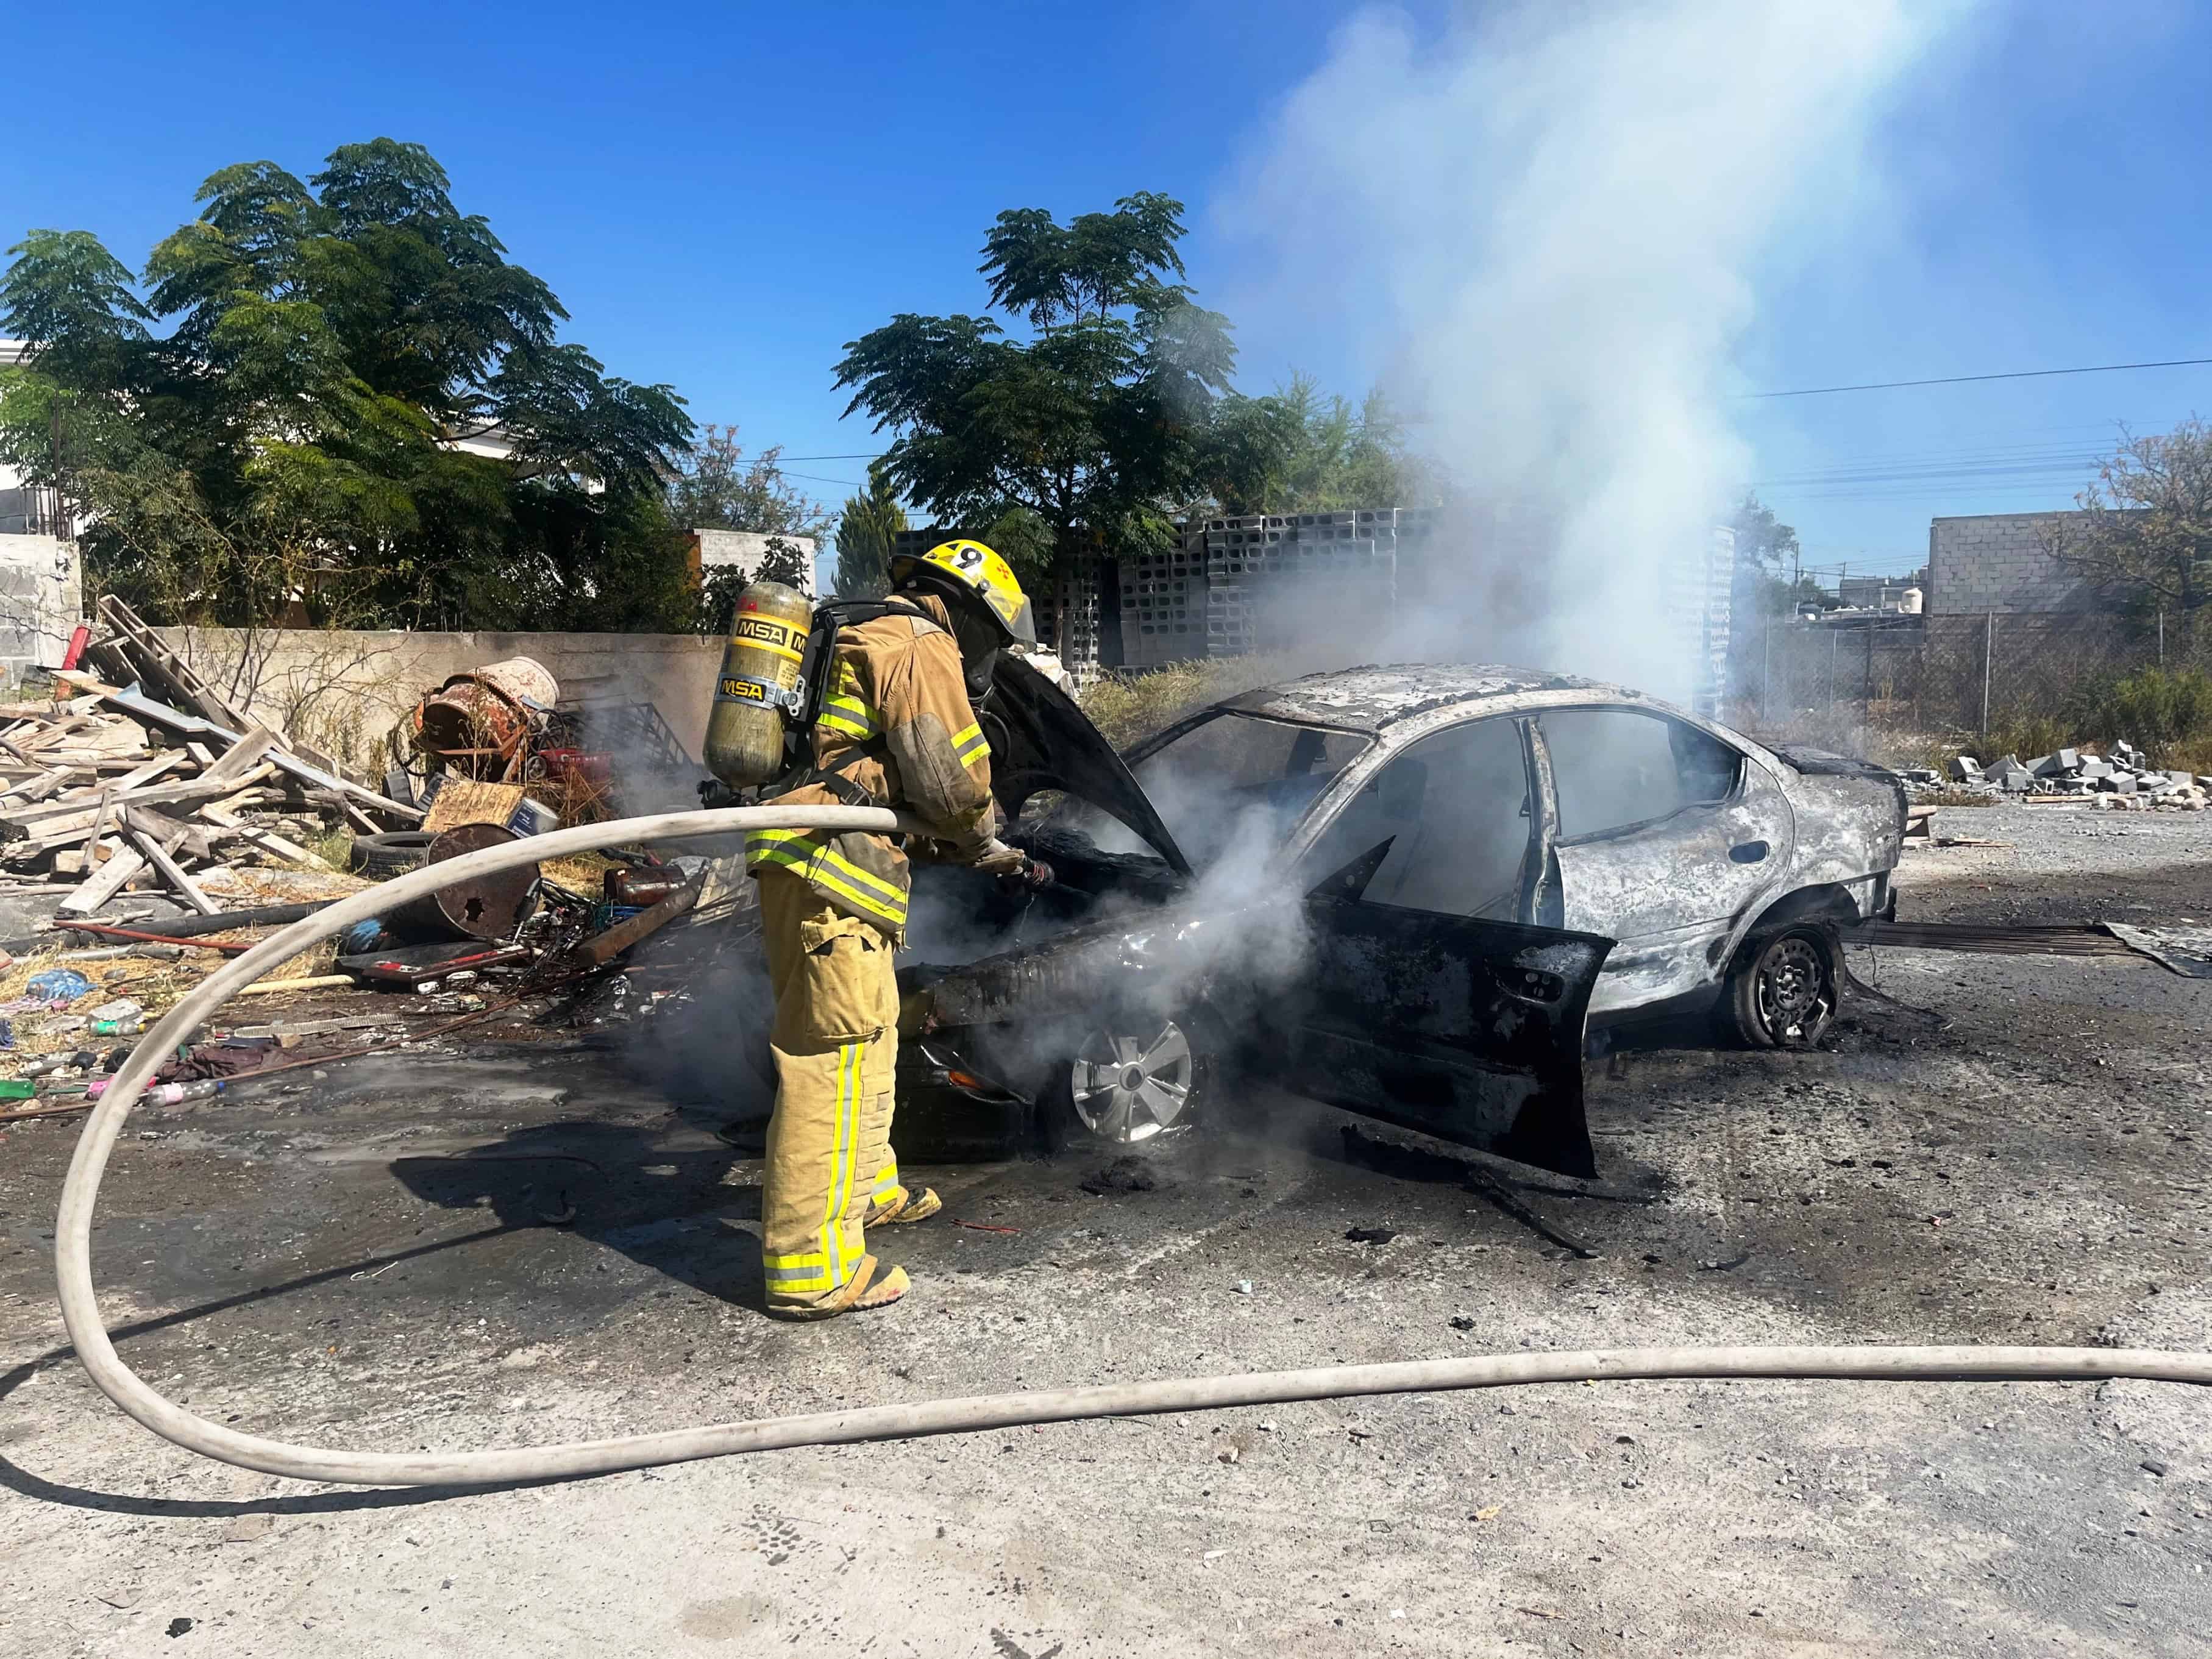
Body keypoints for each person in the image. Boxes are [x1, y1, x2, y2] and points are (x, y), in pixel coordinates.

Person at [745, 539, 1045, 1320]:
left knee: (867, 1039)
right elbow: (948, 779)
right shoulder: (918, 640)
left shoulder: (868, 629)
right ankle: (810, 1268)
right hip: (830, 864)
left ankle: (868, 1189)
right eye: (990, 637)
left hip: (813, 861)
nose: (984, 658)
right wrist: (985, 840)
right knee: (833, 1063)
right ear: (965, 609)